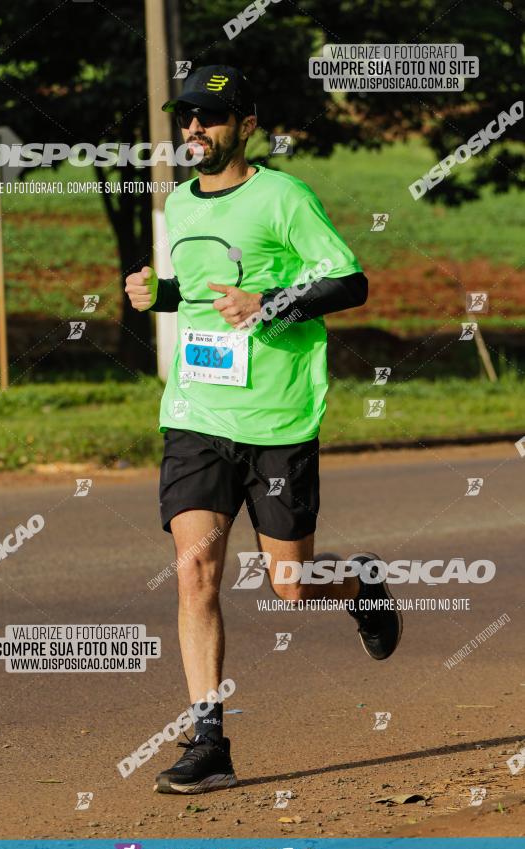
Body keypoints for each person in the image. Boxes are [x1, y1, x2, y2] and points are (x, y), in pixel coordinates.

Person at [126, 65, 402, 795]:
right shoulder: (180, 202)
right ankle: (208, 739)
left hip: (277, 416)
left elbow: (349, 280)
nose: (194, 129)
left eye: (209, 118)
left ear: (244, 125)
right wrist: (160, 296)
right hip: (195, 414)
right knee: (195, 571)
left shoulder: (284, 196)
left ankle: (360, 585)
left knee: (290, 583)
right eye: (185, 117)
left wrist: (272, 302)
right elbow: (207, 293)